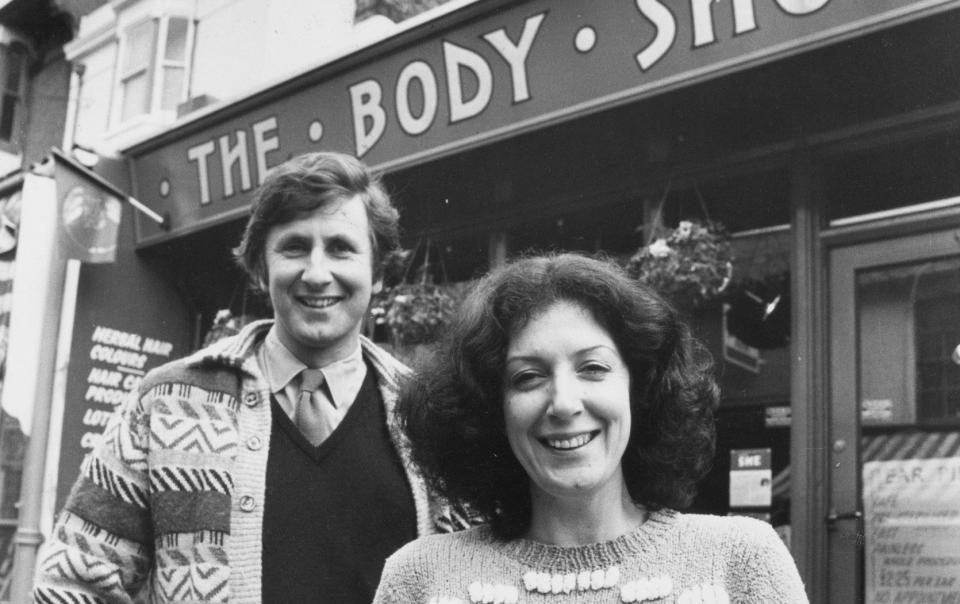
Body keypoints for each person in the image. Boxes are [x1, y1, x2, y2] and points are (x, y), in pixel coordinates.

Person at [34, 152, 454, 603]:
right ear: (260, 267)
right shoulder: (166, 401)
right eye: (294, 247)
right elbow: (70, 584)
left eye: (340, 248)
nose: (316, 273)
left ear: (378, 273)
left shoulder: (428, 413)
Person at [374, 252, 808, 604]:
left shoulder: (741, 560)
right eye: (528, 377)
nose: (564, 403)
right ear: (491, 408)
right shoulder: (420, 578)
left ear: (639, 389)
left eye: (593, 368)